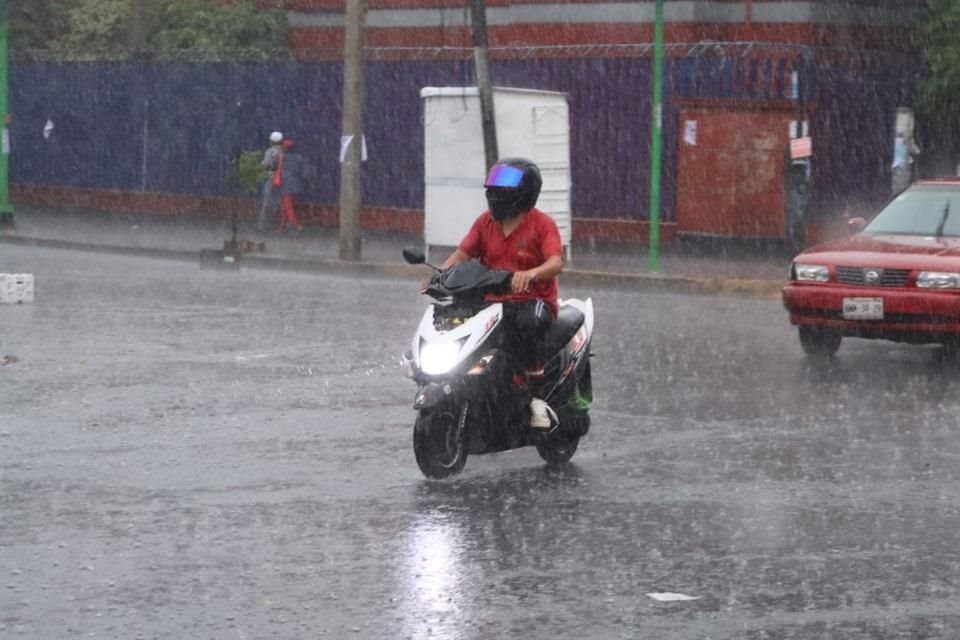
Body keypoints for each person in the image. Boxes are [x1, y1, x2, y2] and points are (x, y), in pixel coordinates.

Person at [437, 157, 564, 430]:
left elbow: (555, 262)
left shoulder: (542, 225)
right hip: (492, 302)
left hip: (533, 301)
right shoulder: (485, 223)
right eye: (492, 188)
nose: (494, 194)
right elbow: (463, 253)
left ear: (522, 194)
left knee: (527, 323)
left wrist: (530, 274)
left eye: (501, 188)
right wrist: (440, 276)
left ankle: (537, 398)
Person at [276, 139, 305, 232]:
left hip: (285, 185)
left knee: (287, 206)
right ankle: (282, 225)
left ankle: (296, 225)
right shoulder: (299, 158)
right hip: (296, 184)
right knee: (285, 206)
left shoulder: (282, 158)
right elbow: (303, 172)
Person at [257, 131, 284, 233]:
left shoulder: (270, 152)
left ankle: (262, 225)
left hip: (271, 179)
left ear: (272, 141)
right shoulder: (284, 152)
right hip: (282, 180)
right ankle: (278, 224)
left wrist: (260, 166)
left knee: (266, 203)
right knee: (279, 202)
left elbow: (266, 165)